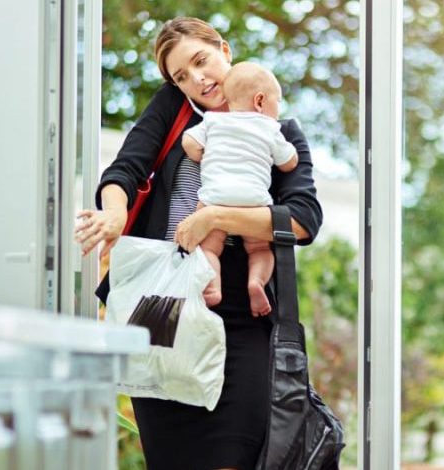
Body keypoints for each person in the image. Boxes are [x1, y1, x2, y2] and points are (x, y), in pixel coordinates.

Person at [74, 16, 322, 470]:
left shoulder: (279, 133)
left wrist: (215, 216)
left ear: (224, 50)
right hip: (163, 306)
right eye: (181, 76)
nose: (197, 79)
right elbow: (125, 169)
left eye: (200, 61)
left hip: (244, 318)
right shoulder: (177, 111)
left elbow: (304, 220)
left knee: (233, 455)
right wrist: (113, 214)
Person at [182, 61, 298, 316]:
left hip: (214, 198)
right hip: (253, 202)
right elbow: (289, 162)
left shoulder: (214, 121)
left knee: (209, 248)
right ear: (260, 101)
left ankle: (213, 287)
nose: (278, 111)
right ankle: (256, 282)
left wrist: (202, 155)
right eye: (277, 103)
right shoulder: (270, 128)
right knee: (259, 249)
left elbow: (188, 142)